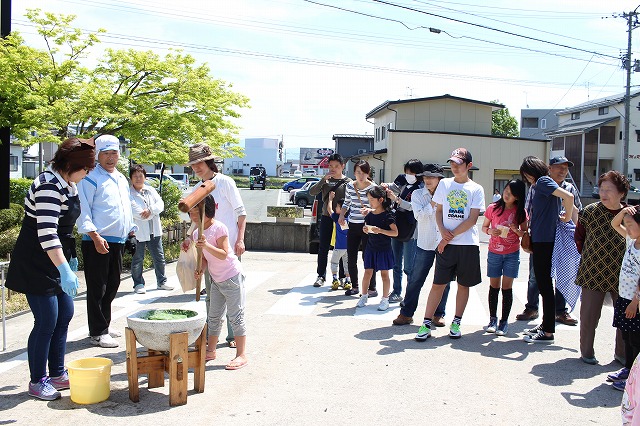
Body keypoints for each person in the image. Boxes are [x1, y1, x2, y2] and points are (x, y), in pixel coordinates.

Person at [5, 137, 95, 400]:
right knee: (46, 321)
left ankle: (57, 373)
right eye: (86, 169)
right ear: (71, 164)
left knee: (64, 315)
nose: (87, 174)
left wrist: (71, 259)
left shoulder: (69, 183)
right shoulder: (47, 186)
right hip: (37, 260)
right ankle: (37, 380)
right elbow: (46, 233)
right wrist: (65, 269)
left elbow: (65, 229)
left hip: (59, 256)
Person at [414, 148, 485, 341]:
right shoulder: (444, 184)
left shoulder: (476, 188)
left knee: (463, 285)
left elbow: (472, 219)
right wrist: (443, 235)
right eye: (452, 163)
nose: (454, 167)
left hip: (468, 244)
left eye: (458, 164)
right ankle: (426, 323)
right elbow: (438, 211)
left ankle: (456, 322)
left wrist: (447, 237)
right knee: (438, 284)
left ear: (468, 165)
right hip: (446, 244)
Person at [185, 142, 247, 349]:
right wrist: (188, 237)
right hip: (207, 249)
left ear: (209, 161)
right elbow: (195, 218)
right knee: (212, 295)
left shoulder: (225, 182)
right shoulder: (197, 189)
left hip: (227, 248)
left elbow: (241, 212)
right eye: (193, 165)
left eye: (199, 163)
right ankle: (212, 335)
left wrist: (240, 239)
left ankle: (233, 337)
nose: (196, 168)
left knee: (233, 295)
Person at [77, 134, 137, 348]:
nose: (111, 158)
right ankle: (97, 331)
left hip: (118, 239)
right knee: (97, 286)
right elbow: (83, 209)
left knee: (112, 284)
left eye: (114, 153)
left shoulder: (121, 178)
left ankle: (104, 324)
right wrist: (94, 235)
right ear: (97, 155)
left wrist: (131, 233)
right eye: (106, 153)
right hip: (97, 239)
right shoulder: (90, 177)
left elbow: (125, 208)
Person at [516, 156, 582, 325]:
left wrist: (566, 218)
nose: (527, 178)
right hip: (542, 238)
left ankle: (547, 329)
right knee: (542, 283)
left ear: (530, 172)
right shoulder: (541, 183)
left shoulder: (543, 182)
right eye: (559, 167)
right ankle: (545, 325)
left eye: (527, 174)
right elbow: (531, 211)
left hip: (545, 240)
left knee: (545, 285)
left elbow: (569, 198)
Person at [575, 170, 629, 365]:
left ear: (622, 192)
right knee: (589, 316)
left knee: (624, 318)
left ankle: (622, 354)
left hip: (624, 274)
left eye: (609, 190)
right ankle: (587, 352)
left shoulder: (631, 215)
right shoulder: (589, 211)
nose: (603, 193)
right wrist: (591, 255)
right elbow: (579, 238)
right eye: (601, 189)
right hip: (592, 270)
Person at [192, 196, 247, 370]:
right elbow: (205, 259)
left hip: (232, 277)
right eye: (191, 213)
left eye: (196, 212)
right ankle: (211, 350)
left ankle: (241, 355)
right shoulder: (196, 233)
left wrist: (206, 245)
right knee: (214, 317)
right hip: (216, 279)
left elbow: (223, 254)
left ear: (207, 210)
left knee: (235, 317)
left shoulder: (219, 228)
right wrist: (200, 269)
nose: (193, 216)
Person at [393, 163, 451, 326]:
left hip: (444, 243)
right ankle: (406, 313)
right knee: (415, 279)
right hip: (425, 243)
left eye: (432, 177)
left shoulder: (449, 195)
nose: (428, 180)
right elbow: (419, 216)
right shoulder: (418, 194)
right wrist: (434, 202)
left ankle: (438, 314)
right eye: (425, 177)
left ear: (440, 179)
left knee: (443, 281)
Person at [481, 179, 528, 336]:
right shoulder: (493, 208)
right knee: (494, 287)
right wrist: (490, 232)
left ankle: (504, 321)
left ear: (518, 197)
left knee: (507, 288)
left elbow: (525, 233)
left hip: (512, 254)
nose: (507, 195)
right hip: (494, 252)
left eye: (512, 193)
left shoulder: (521, 212)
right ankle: (492, 319)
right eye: (506, 191)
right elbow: (484, 227)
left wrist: (517, 231)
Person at [607, 205, 640, 391]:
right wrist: (626, 210)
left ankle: (634, 378)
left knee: (636, 339)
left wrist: (635, 302)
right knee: (626, 336)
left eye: (630, 224)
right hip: (624, 297)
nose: (626, 228)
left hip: (635, 302)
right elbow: (614, 223)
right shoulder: (631, 240)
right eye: (626, 225)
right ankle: (627, 369)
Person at [383, 159, 423, 304]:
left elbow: (414, 207)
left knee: (409, 267)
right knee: (395, 263)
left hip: (411, 229)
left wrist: (397, 200)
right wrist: (386, 187)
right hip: (397, 225)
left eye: (411, 172)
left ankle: (409, 295)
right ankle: (396, 291)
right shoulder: (403, 181)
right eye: (406, 172)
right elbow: (393, 188)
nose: (408, 175)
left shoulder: (421, 187)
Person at [309, 154, 352, 288]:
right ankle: (321, 275)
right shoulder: (326, 181)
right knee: (323, 247)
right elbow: (312, 192)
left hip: (343, 220)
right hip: (327, 218)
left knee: (342, 248)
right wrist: (322, 180)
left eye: (336, 166)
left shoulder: (348, 182)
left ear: (342, 166)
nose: (333, 169)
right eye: (331, 166)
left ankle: (342, 277)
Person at [129, 165, 172, 294]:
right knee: (138, 259)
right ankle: (138, 284)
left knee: (159, 257)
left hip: (154, 230)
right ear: (131, 178)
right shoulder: (128, 193)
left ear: (145, 177)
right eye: (135, 176)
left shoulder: (151, 190)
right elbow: (135, 212)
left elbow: (160, 204)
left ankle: (162, 281)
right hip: (138, 232)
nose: (138, 178)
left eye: (140, 176)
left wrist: (151, 211)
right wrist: (151, 212)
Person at [355, 186, 398, 311]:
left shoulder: (387, 215)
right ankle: (364, 296)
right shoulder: (369, 215)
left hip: (384, 249)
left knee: (385, 274)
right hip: (370, 247)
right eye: (368, 199)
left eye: (372, 199)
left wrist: (380, 231)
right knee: (367, 272)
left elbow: (395, 233)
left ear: (380, 200)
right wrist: (366, 230)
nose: (370, 202)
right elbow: (368, 228)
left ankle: (385, 299)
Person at [338, 160, 374, 296]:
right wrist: (342, 215)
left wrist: (369, 210)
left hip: (367, 226)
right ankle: (355, 286)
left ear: (368, 173)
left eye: (363, 172)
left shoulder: (373, 188)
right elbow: (347, 203)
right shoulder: (350, 186)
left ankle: (372, 287)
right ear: (354, 173)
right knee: (351, 256)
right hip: (352, 224)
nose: (360, 175)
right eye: (358, 172)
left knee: (367, 257)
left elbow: (378, 207)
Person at [327, 192, 351, 290]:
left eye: (337, 207)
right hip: (348, 247)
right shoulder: (349, 218)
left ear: (342, 209)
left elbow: (329, 209)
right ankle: (348, 281)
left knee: (334, 263)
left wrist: (330, 199)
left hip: (338, 247)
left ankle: (335, 279)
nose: (336, 208)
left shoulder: (337, 218)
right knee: (347, 264)